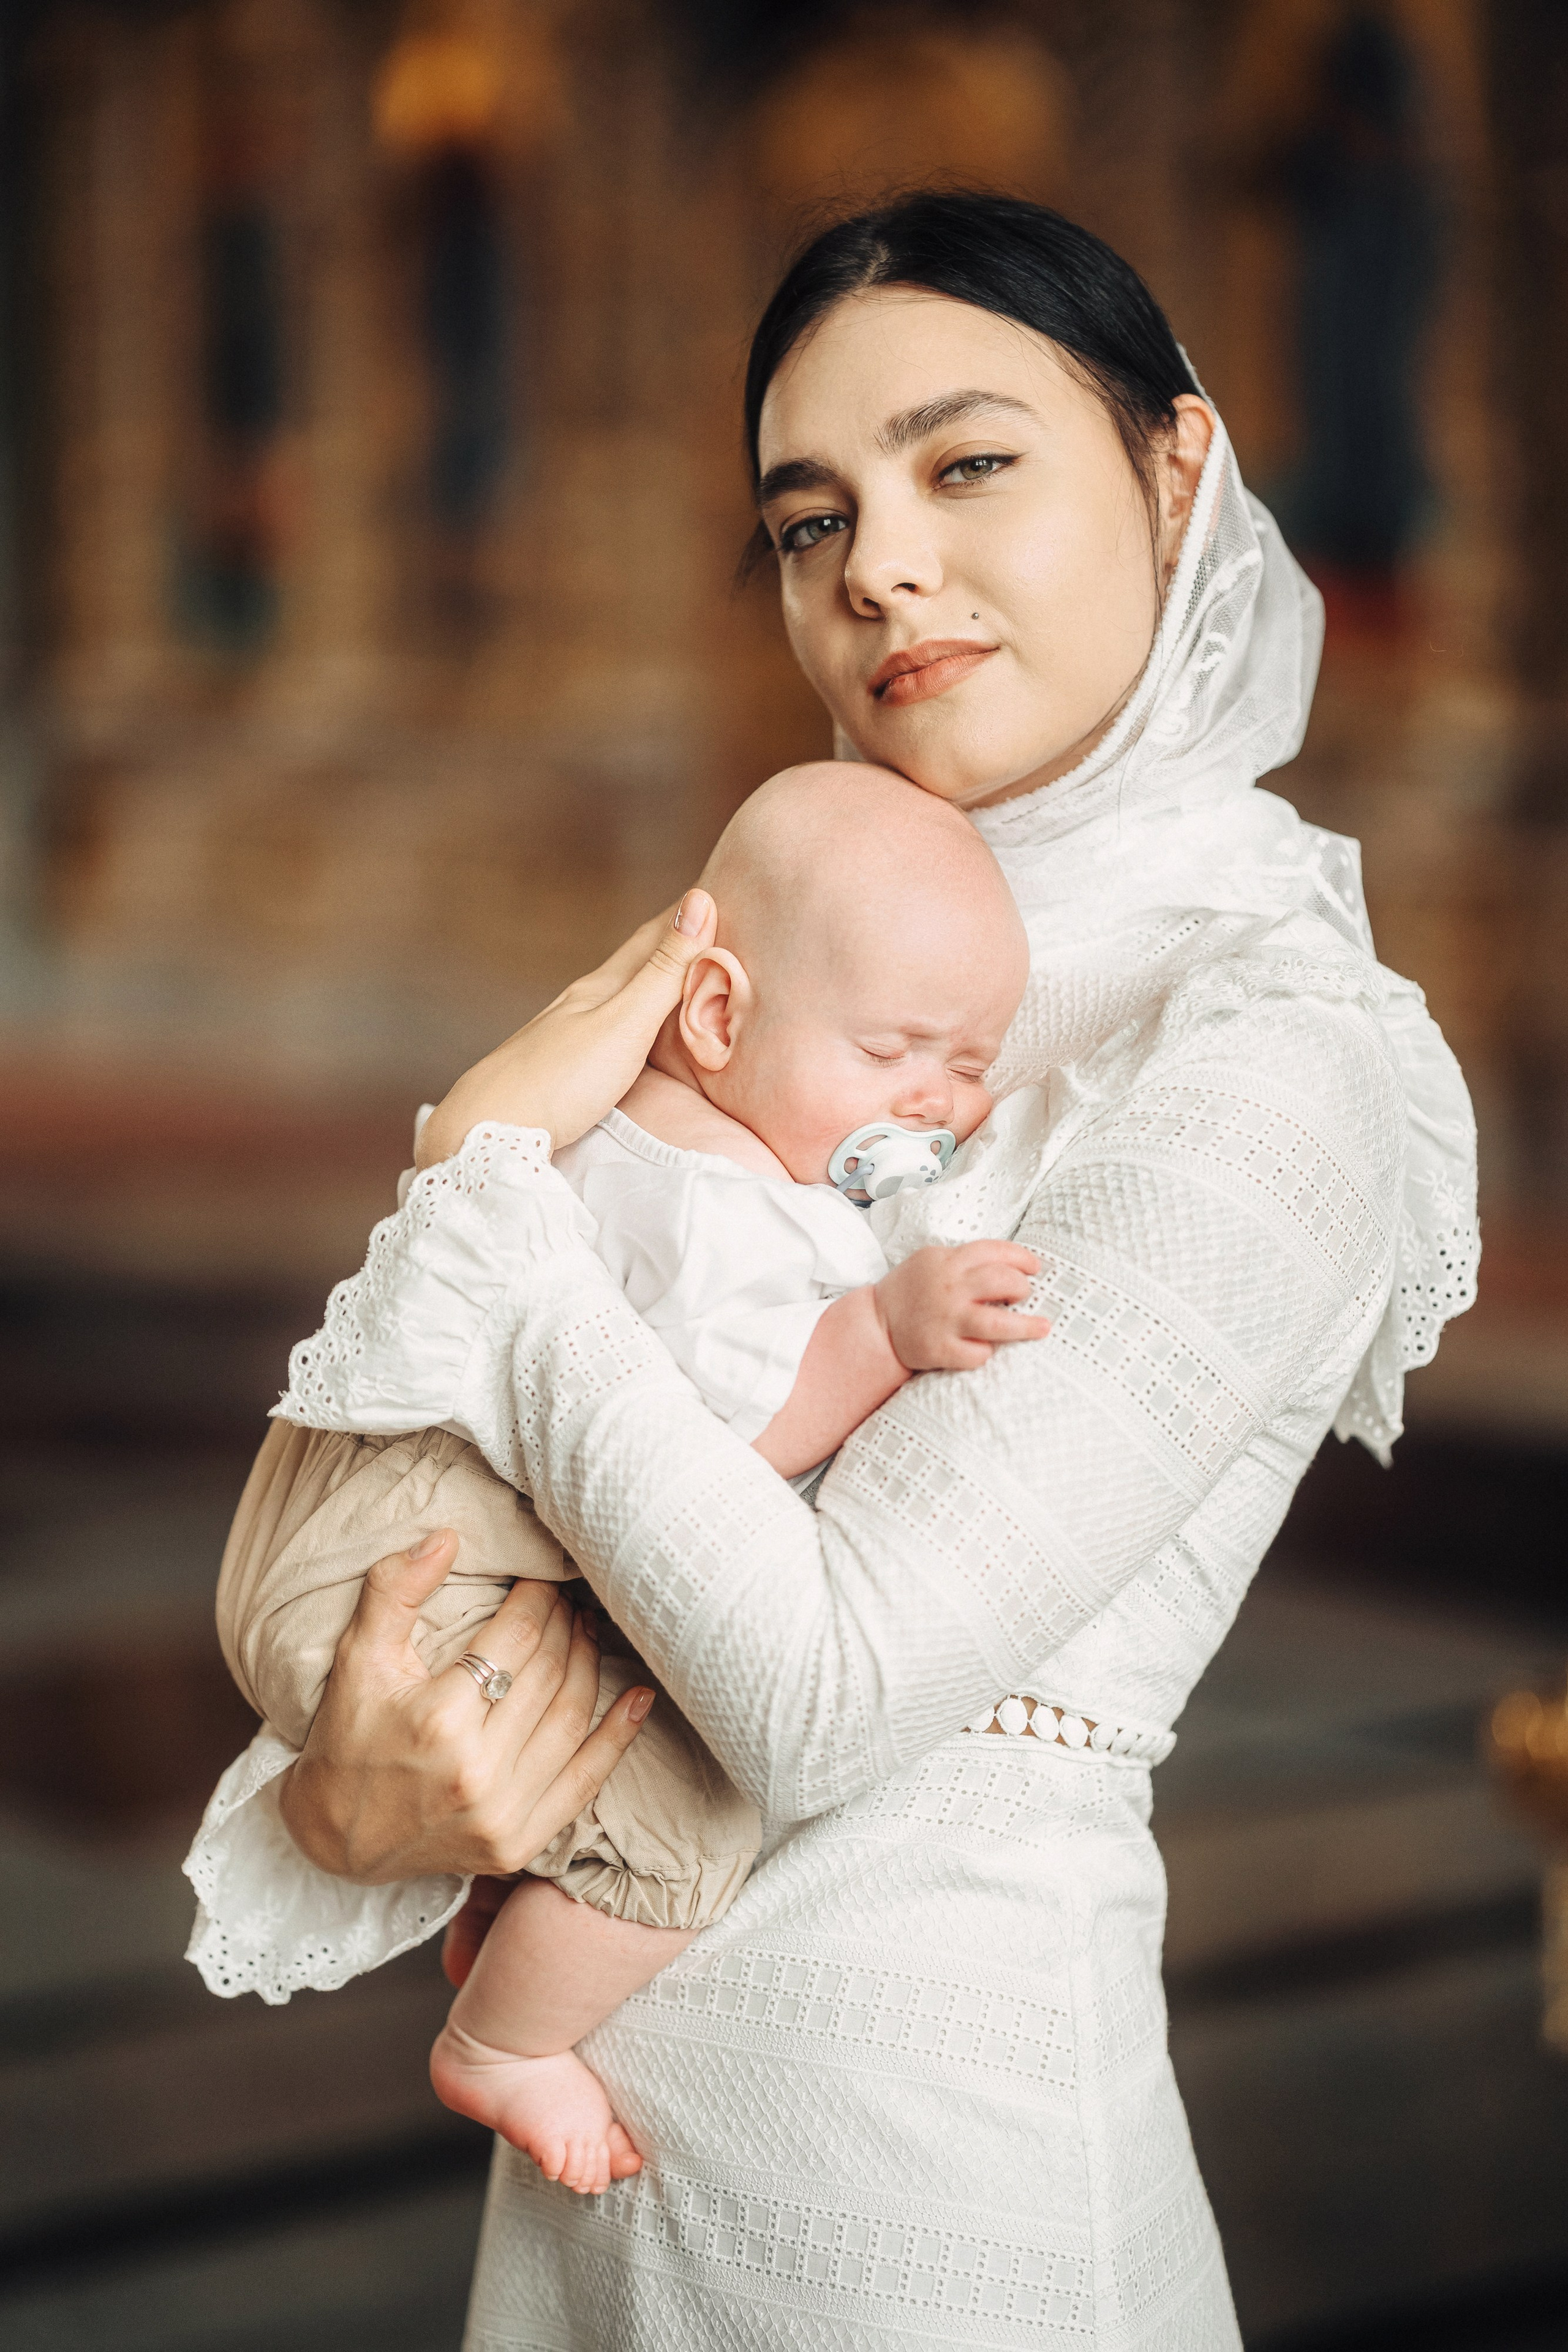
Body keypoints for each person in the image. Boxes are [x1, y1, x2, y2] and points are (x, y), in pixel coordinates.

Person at [186, 193, 1477, 2348]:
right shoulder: (803, 949)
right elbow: (474, 1516)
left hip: (928, 2213)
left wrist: (483, 1186)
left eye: (967, 464)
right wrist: (353, 1783)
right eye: (810, 518)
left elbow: (813, 1686)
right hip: (599, 2202)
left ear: (1177, 471)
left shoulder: (1285, 1059)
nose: (875, 563)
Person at [216, 763, 1045, 2196]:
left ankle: (515, 1905)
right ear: (716, 1012)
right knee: (685, 1824)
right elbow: (695, 1468)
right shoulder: (730, 1207)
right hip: (411, 1585)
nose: (940, 1107)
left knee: (599, 1691)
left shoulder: (644, 1128)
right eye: (900, 1053)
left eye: (969, 1067)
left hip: (355, 1538)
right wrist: (880, 1330)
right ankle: (501, 2046)